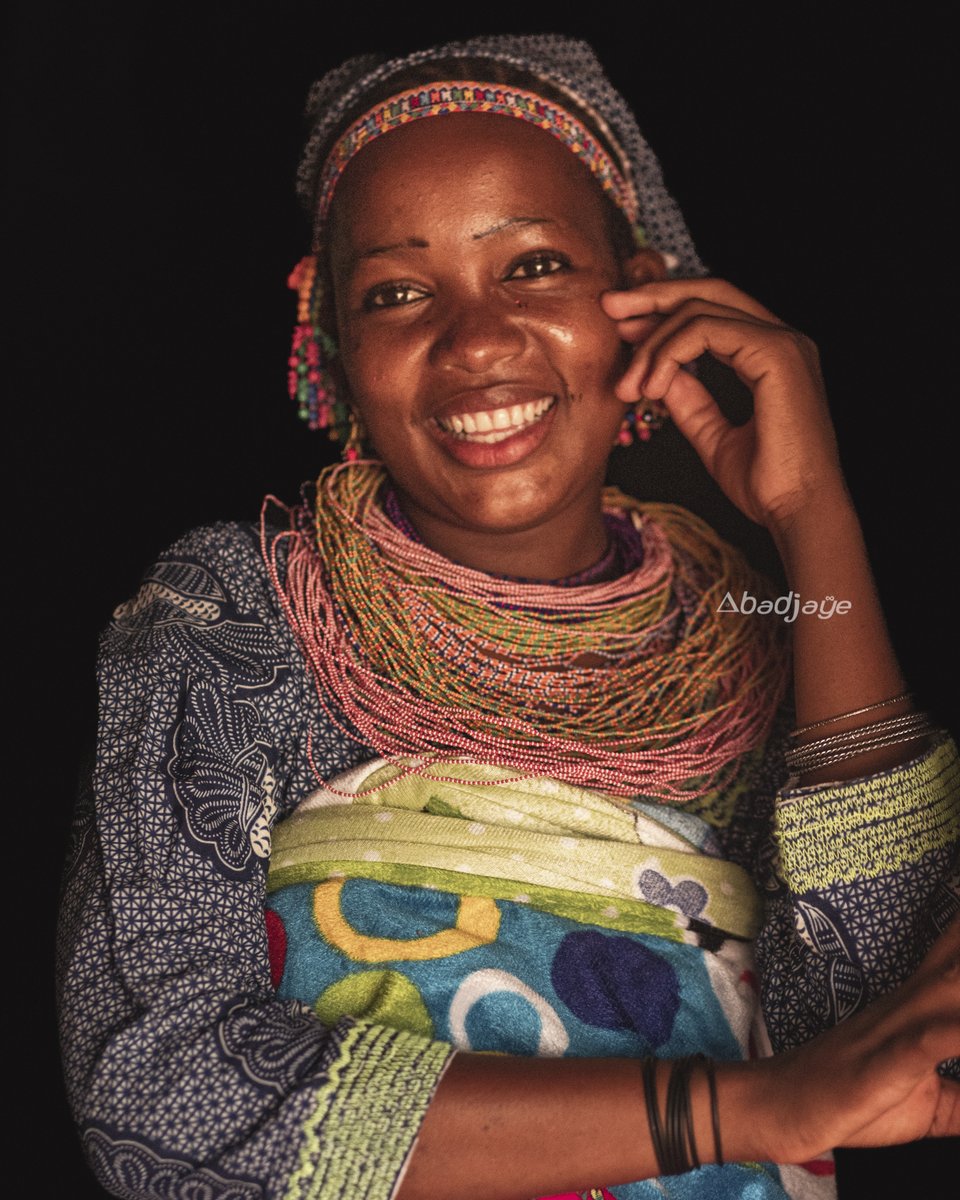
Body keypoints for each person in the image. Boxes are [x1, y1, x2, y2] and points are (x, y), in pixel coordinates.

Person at [57, 33, 959, 1200]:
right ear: (331, 338)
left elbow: (879, 1023)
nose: (477, 342)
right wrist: (746, 1108)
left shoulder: (748, 629)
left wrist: (810, 509)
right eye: (396, 292)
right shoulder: (236, 616)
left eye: (532, 266)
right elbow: (162, 1100)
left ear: (637, 299)